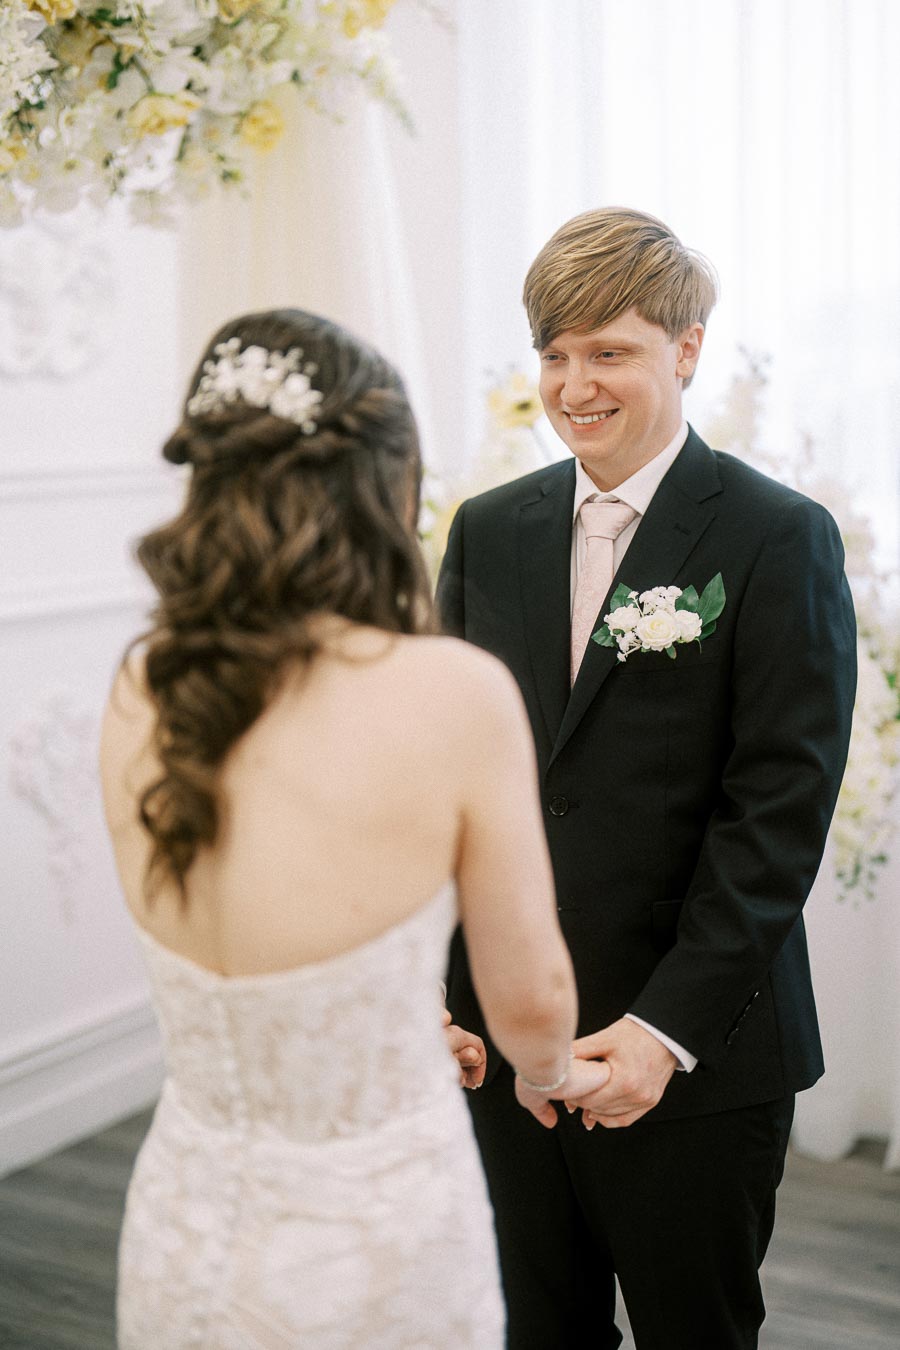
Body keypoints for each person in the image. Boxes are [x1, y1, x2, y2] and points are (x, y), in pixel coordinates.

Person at [99, 309, 609, 1349]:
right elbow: (530, 1006)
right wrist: (557, 1075)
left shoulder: (146, 682)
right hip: (378, 1242)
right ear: (386, 486)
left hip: (186, 1225)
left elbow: (252, 921)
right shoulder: (449, 691)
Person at [437, 208, 857, 1350]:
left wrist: (658, 1033)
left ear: (686, 348)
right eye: (556, 354)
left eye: (608, 351)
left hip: (695, 1054)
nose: (576, 385)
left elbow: (777, 811)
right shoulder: (488, 531)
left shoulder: (780, 537)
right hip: (506, 1055)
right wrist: (446, 996)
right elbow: (452, 787)